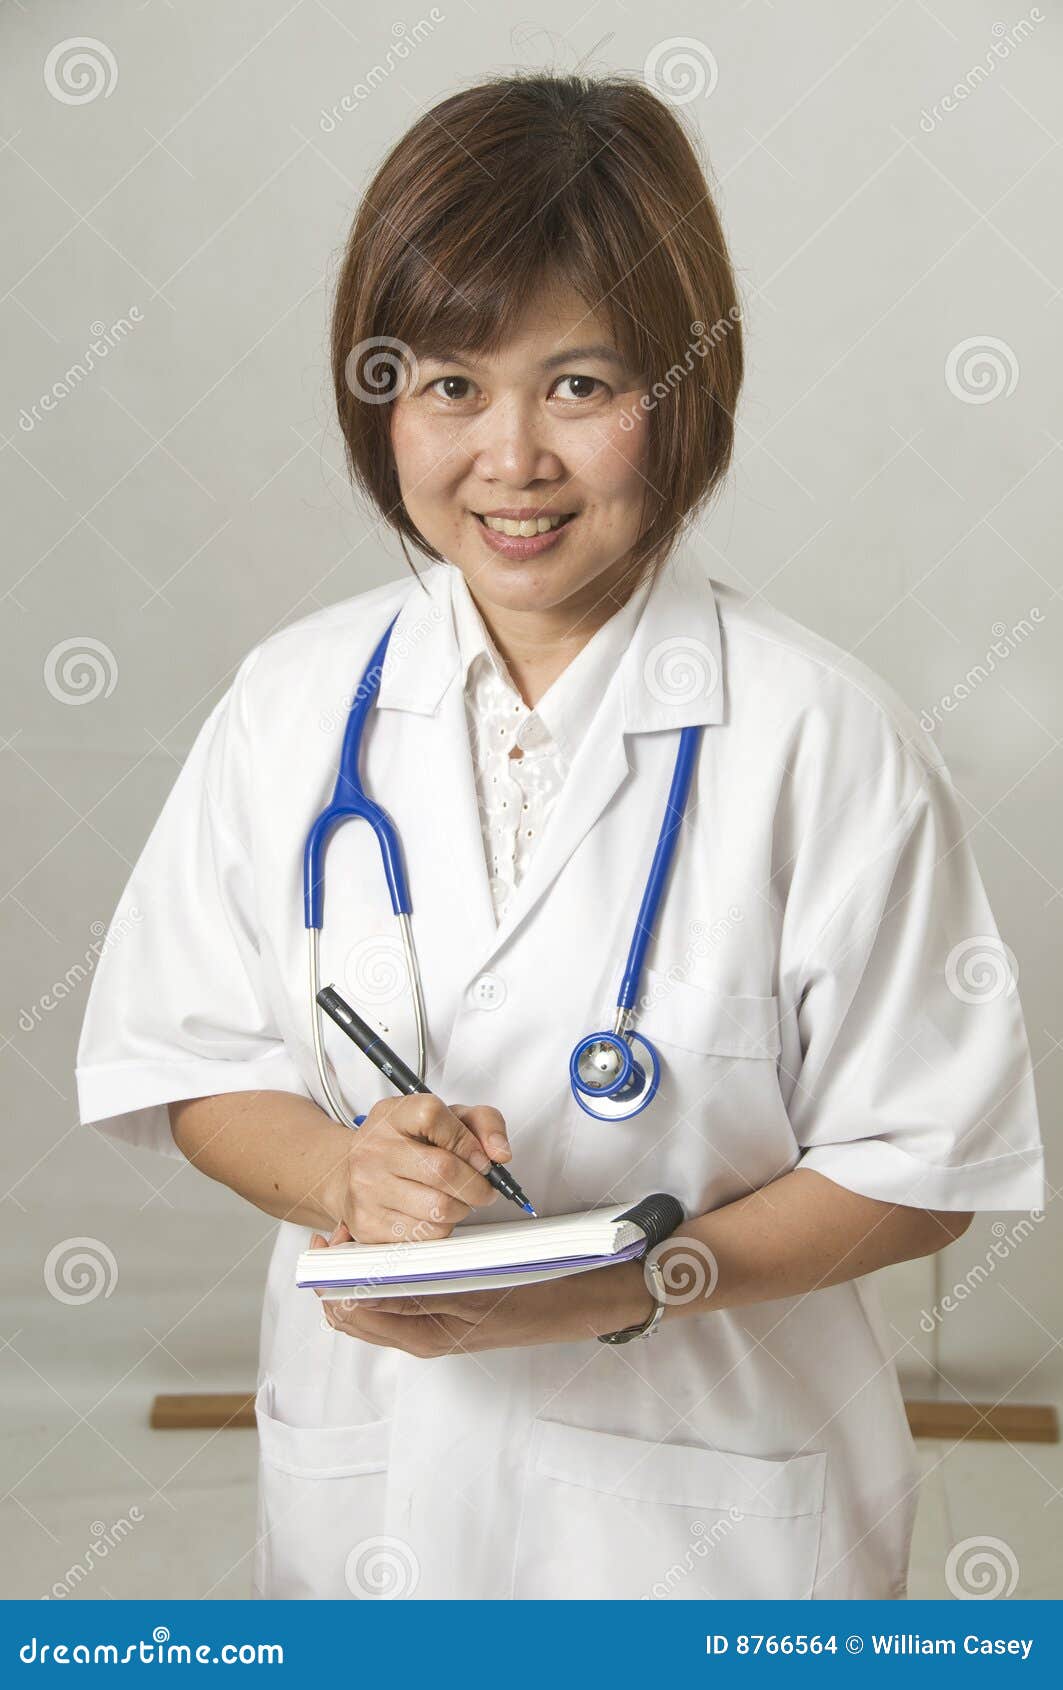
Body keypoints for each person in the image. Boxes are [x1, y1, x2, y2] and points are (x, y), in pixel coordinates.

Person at [76, 72, 1044, 1602]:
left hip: (715, 1542)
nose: (511, 458)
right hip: (371, 1504)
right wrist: (343, 1176)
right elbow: (189, 1061)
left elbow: (929, 1161)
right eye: (451, 384)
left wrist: (645, 1276)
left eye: (582, 386)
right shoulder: (291, 709)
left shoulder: (822, 736)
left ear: (688, 388)